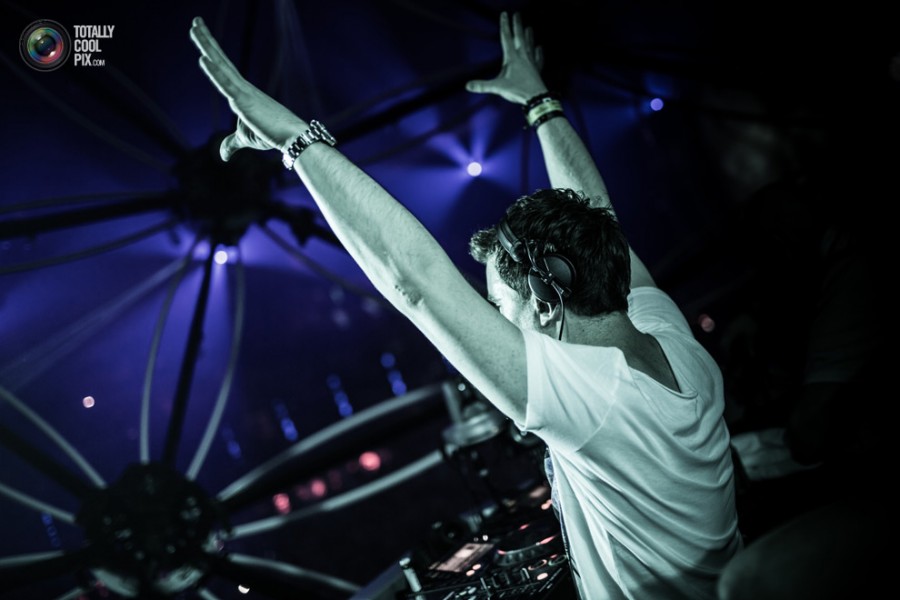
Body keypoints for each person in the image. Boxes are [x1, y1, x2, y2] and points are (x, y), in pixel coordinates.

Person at [189, 11, 742, 599]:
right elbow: (597, 215)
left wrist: (295, 141)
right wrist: (540, 103)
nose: (496, 322)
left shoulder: (591, 397)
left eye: (501, 305)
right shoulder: (668, 337)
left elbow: (415, 281)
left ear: (547, 298)